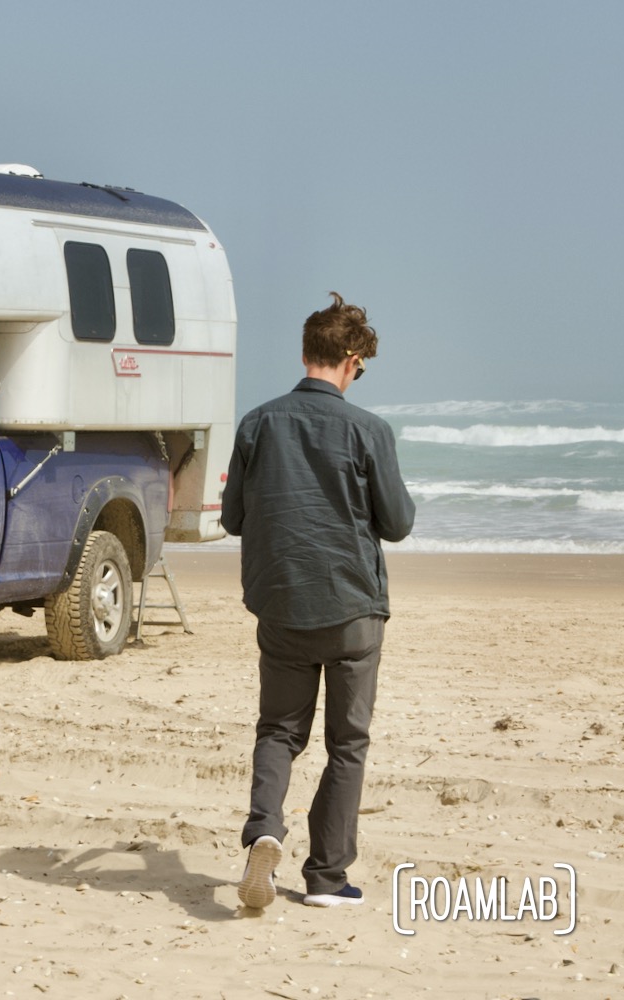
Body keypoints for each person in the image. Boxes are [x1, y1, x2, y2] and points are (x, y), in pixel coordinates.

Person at [221, 291, 416, 909]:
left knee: (278, 730)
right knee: (347, 744)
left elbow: (232, 518)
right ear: (352, 360)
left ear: (307, 352)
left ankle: (265, 834)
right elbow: (399, 522)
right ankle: (328, 878)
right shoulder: (369, 430)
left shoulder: (256, 423)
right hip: (353, 607)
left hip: (280, 604)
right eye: (362, 365)